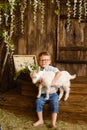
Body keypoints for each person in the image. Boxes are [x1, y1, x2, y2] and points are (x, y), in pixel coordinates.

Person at [33, 51, 61, 128]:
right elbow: (36, 83)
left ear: (50, 61)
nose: (44, 62)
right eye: (42, 60)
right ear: (39, 61)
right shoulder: (38, 71)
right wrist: (38, 83)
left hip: (53, 93)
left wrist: (53, 81)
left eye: (46, 60)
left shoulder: (51, 68)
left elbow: (59, 73)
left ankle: (53, 122)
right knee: (38, 102)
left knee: (55, 104)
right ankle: (40, 120)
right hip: (42, 93)